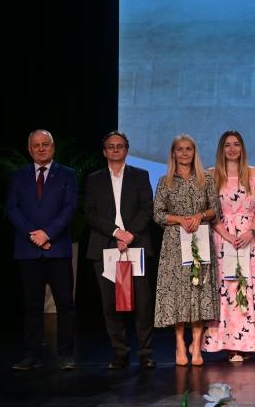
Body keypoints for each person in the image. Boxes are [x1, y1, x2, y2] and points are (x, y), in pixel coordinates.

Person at [7, 129, 78, 370]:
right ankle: (31, 355)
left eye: (45, 144)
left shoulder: (67, 174)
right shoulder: (18, 176)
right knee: (32, 305)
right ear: (29, 150)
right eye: (36, 145)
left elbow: (69, 208)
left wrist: (47, 234)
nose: (41, 148)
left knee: (65, 304)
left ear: (53, 147)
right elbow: (12, 208)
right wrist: (33, 235)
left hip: (58, 249)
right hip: (28, 250)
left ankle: (66, 354)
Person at [85, 130, 156, 369]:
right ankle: (120, 352)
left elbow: (147, 208)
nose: (115, 149)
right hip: (105, 245)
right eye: (111, 146)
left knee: (143, 303)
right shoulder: (94, 179)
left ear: (126, 150)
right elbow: (90, 213)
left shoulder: (140, 175)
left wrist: (130, 234)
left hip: (136, 244)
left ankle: (145, 353)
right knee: (110, 304)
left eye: (120, 146)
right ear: (104, 151)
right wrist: (116, 233)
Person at [153, 134, 220, 367]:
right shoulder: (165, 181)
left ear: (194, 152)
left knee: (199, 291)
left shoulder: (206, 178)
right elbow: (158, 214)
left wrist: (200, 216)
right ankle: (180, 344)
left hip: (199, 240)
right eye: (180, 149)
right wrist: (180, 219)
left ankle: (197, 346)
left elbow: (215, 210)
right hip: (174, 243)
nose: (184, 153)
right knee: (178, 294)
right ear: (173, 153)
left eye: (188, 148)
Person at [202, 131, 255, 362]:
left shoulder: (254, 173)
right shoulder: (211, 174)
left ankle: (247, 343)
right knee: (225, 290)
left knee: (247, 289)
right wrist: (226, 235)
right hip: (222, 239)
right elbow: (209, 210)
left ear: (242, 148)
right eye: (227, 145)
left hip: (249, 239)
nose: (232, 149)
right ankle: (228, 344)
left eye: (236, 144)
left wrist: (251, 231)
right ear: (221, 148)